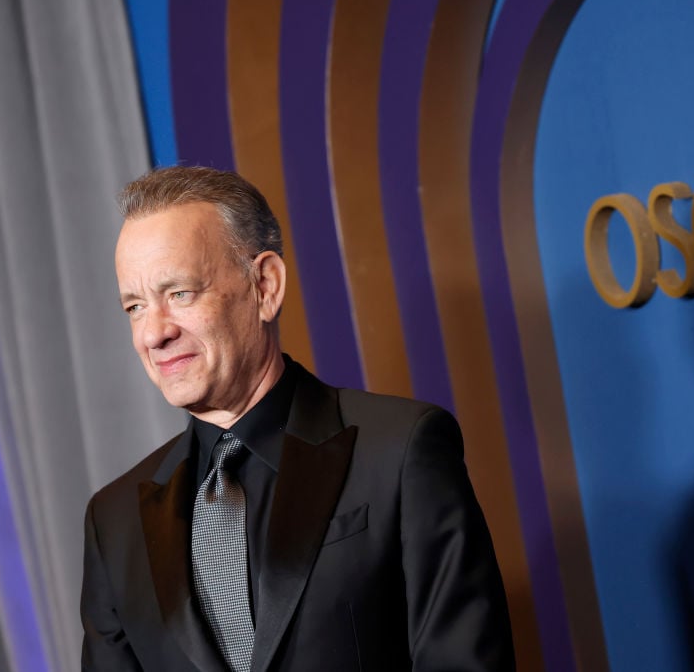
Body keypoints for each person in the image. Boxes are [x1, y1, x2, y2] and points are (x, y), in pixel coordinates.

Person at [80, 166, 515, 671]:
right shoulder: (113, 523)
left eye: (179, 293)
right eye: (134, 306)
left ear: (265, 286)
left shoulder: (399, 452)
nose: (153, 334)